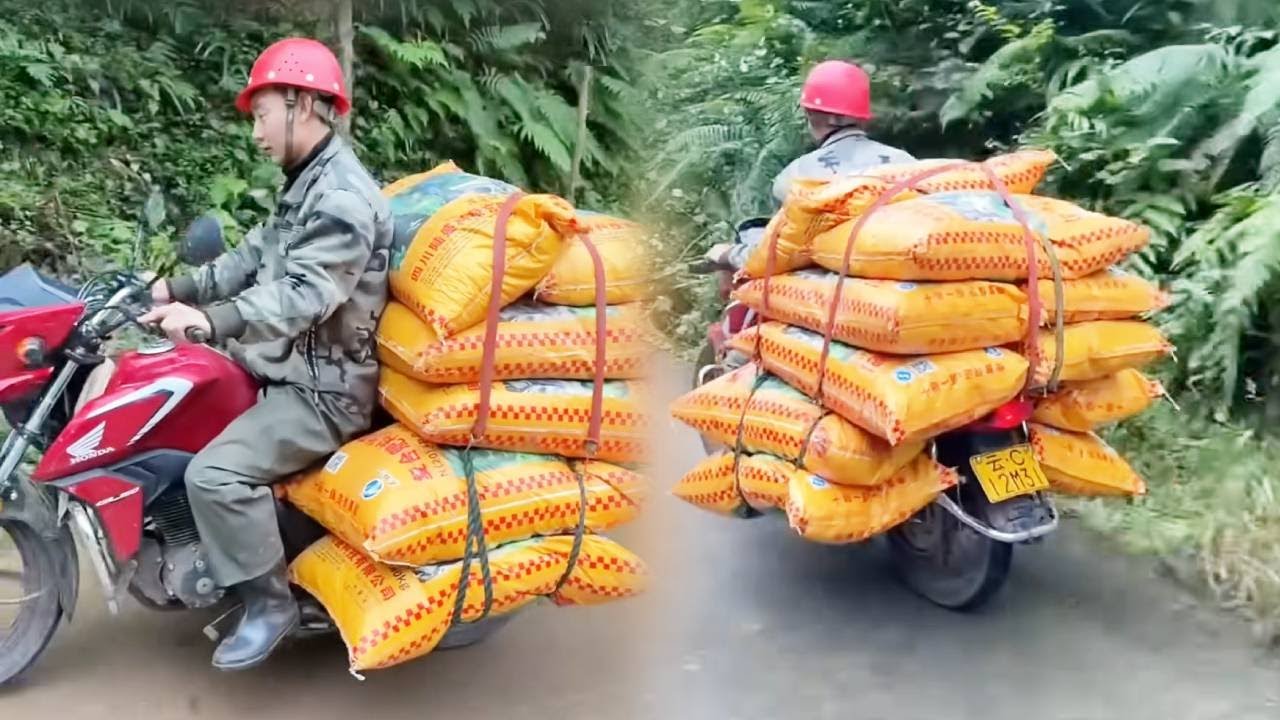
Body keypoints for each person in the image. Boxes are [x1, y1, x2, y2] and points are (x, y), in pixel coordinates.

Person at [139, 37, 393, 671]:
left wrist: (210, 321)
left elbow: (308, 292)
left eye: (261, 113)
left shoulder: (341, 198)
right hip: (283, 366)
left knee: (214, 472)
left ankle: (269, 603)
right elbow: (252, 257)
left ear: (303, 103)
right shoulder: (306, 183)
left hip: (323, 391)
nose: (256, 131)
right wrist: (175, 288)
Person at [706, 60, 915, 270]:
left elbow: (777, 253)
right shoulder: (907, 164)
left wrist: (727, 255)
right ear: (863, 117)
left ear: (810, 113)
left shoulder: (796, 175)